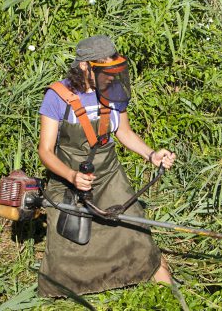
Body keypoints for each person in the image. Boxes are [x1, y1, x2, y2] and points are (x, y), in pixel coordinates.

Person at [37, 35, 176, 297]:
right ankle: (69, 291)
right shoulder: (57, 96)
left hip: (109, 173)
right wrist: (71, 175)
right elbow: (45, 151)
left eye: (114, 68)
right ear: (84, 67)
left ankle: (164, 286)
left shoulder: (113, 91)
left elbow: (124, 132)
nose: (112, 76)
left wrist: (151, 155)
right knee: (70, 243)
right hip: (68, 178)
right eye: (104, 69)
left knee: (134, 227)